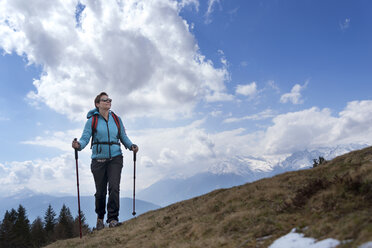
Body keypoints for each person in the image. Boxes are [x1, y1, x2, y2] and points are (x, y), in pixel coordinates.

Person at [72, 92, 138, 230]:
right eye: (105, 100)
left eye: (110, 100)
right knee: (101, 192)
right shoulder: (92, 121)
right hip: (98, 160)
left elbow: (123, 136)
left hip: (116, 157)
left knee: (114, 188)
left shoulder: (116, 119)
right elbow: (85, 138)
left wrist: (131, 146)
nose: (109, 102)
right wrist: (78, 146)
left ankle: (113, 219)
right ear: (97, 104)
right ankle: (100, 218)